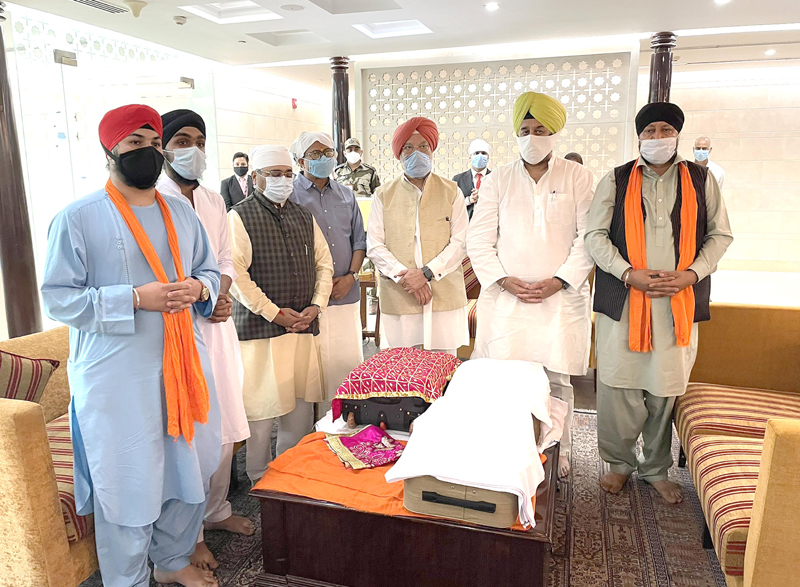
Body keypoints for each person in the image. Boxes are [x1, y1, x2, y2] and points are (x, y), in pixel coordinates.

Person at [41, 104, 222, 587]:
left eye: (154, 143)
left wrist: (200, 290)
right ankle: (126, 580)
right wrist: (134, 299)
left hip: (183, 366)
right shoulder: (78, 217)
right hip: (118, 377)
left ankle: (171, 563)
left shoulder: (181, 212)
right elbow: (59, 298)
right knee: (128, 481)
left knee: (189, 470)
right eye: (135, 144)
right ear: (110, 152)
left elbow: (209, 270)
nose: (149, 152)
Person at [585, 102, 733, 504]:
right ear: (639, 137)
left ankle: (654, 469)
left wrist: (692, 274)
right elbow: (595, 236)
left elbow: (720, 235)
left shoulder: (701, 180)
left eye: (664, 130)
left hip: (677, 304)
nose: (656, 138)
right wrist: (627, 272)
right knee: (619, 387)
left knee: (663, 388)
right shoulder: (616, 179)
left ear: (677, 135)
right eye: (649, 132)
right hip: (625, 299)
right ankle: (618, 465)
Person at [467, 92, 595, 479]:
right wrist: (504, 280)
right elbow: (479, 238)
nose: (531, 137)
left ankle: (561, 450)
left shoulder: (578, 177)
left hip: (561, 299)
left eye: (540, 129)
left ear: (555, 133)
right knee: (504, 376)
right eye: (524, 130)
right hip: (507, 298)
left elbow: (588, 237)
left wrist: (559, 281)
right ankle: (508, 444)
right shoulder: (498, 179)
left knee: (557, 378)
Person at [156, 109, 253, 571]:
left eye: (198, 139)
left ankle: (216, 512)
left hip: (219, 326)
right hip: (176, 331)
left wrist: (221, 294)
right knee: (192, 437)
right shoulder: (153, 199)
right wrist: (203, 297)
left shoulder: (214, 201)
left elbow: (225, 260)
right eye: (181, 140)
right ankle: (188, 536)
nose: (191, 148)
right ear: (162, 147)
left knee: (227, 429)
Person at [228, 145, 334, 483]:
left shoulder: (303, 215)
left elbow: (324, 263)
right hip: (260, 332)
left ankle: (291, 471)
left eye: (288, 174)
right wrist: (274, 313)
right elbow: (236, 276)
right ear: (256, 177)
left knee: (300, 404)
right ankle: (259, 475)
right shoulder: (239, 216)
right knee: (261, 409)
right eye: (274, 174)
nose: (282, 180)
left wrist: (316, 305)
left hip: (303, 325)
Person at [366, 116, 469, 355]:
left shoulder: (451, 191)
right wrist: (405, 278)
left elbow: (461, 240)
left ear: (432, 150)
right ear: (399, 154)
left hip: (443, 290)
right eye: (409, 147)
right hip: (400, 291)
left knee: (444, 365)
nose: (417, 153)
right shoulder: (383, 194)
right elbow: (374, 244)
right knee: (402, 367)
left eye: (423, 146)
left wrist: (426, 273)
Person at [290, 131, 366, 411]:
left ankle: (342, 428)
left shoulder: (346, 193)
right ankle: (312, 438)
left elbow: (359, 239)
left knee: (345, 365)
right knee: (312, 372)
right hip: (309, 299)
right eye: (315, 154)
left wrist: (351, 276)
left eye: (328, 153)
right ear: (300, 161)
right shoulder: (290, 195)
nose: (324, 158)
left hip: (346, 293)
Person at [453, 139, 491, 219]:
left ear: (488, 157)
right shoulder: (458, 180)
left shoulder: (495, 178)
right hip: (465, 226)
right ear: (470, 157)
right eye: (476, 153)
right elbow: (452, 206)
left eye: (483, 153)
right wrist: (469, 200)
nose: (480, 156)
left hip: (490, 224)